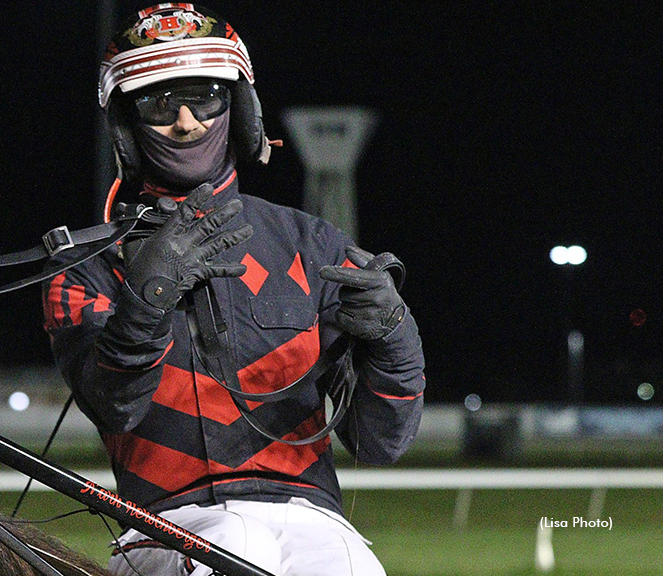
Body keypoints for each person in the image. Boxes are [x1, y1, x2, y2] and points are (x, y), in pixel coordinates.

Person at [42, 4, 425, 575]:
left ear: (241, 107)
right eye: (159, 102)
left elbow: (381, 445)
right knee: (236, 548)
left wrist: (395, 340)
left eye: (204, 96)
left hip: (309, 515)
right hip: (167, 524)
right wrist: (145, 301)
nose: (187, 121)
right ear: (125, 125)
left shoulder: (313, 244)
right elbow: (114, 408)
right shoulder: (84, 267)